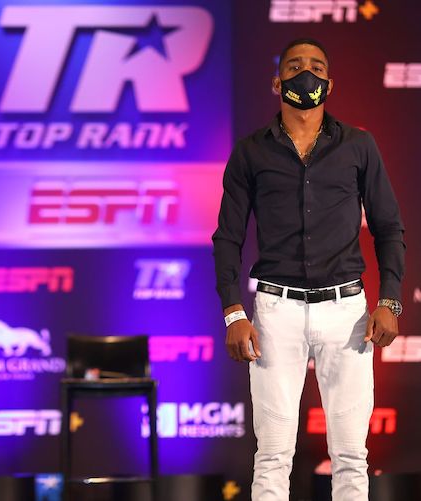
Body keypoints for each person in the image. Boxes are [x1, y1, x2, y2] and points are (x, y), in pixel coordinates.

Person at [212, 38, 405, 500]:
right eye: (295, 66)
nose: (307, 73)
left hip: (347, 313)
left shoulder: (359, 145)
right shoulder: (250, 152)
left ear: (330, 83)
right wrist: (234, 312)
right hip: (276, 311)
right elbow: (228, 238)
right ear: (278, 82)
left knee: (351, 455)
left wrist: (390, 300)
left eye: (317, 66)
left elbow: (388, 227)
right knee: (273, 454)